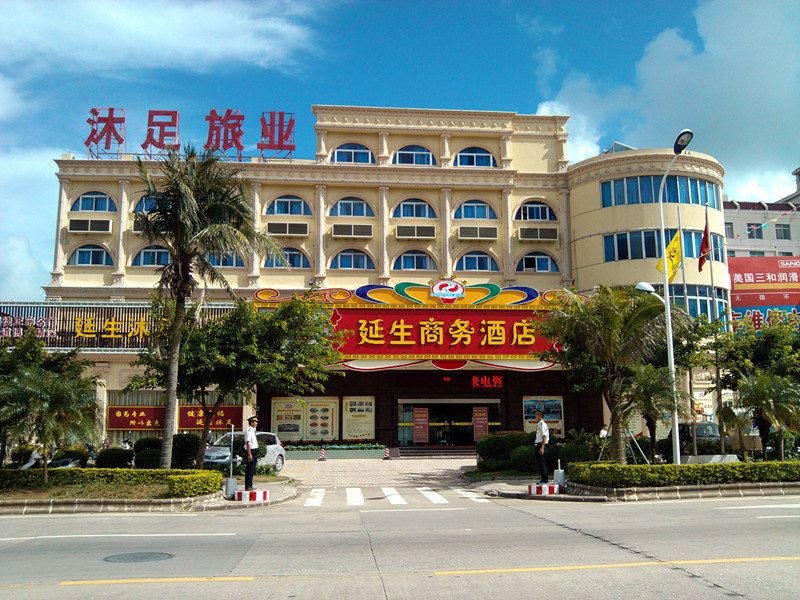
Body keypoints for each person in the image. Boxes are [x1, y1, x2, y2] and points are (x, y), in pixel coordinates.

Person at [533, 409, 549, 484]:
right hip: (538, 445)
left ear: (540, 415)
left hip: (541, 445)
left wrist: (542, 447)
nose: (535, 416)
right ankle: (542, 479)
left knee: (542, 463)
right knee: (540, 463)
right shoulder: (539, 424)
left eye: (537, 414)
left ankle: (545, 480)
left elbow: (544, 436)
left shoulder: (542, 424)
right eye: (535, 414)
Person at [244, 415, 259, 491]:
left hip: (254, 451)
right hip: (251, 451)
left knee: (252, 469)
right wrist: (249, 454)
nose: (257, 423)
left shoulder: (252, 430)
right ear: (252, 422)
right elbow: (248, 442)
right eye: (255, 422)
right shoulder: (249, 430)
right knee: (250, 469)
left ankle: (250, 485)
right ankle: (248, 486)